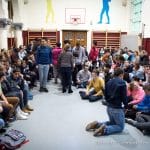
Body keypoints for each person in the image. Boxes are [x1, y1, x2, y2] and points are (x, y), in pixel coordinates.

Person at [85, 68, 127, 136]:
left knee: (112, 123)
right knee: (120, 127)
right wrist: (126, 106)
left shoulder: (109, 82)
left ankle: (98, 124)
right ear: (121, 74)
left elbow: (105, 95)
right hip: (117, 108)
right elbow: (124, 97)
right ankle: (105, 129)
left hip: (109, 108)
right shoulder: (122, 83)